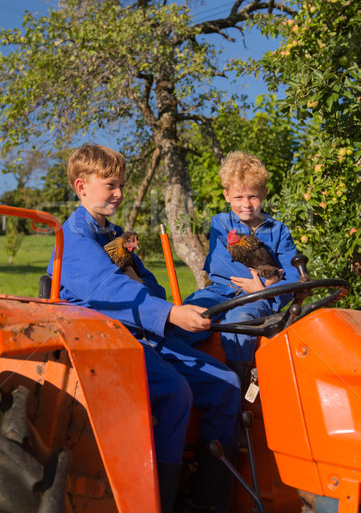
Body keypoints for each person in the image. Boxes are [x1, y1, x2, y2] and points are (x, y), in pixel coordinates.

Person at [47, 144, 241, 513]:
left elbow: (151, 288)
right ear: (81, 186)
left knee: (226, 384)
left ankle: (209, 502)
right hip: (101, 338)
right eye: (110, 185)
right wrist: (169, 313)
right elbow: (107, 289)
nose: (119, 193)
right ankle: (160, 502)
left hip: (141, 330)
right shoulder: (72, 238)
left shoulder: (116, 235)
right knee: (175, 393)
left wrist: (167, 305)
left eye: (122, 184)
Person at [177, 151, 299, 391]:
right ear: (227, 196)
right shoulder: (221, 223)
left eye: (253, 196)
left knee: (240, 320)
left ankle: (238, 385)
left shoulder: (279, 230)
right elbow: (223, 265)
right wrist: (271, 275)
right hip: (220, 291)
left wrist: (266, 290)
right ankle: (180, 373)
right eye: (239, 196)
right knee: (186, 315)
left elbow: (294, 278)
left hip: (259, 295)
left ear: (264, 194)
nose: (246, 203)